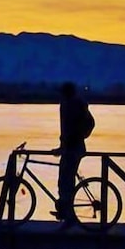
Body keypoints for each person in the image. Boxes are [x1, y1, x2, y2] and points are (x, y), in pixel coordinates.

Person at [52, 81, 93, 223]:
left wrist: (67, 143)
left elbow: (69, 129)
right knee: (64, 179)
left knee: (66, 180)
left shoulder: (73, 104)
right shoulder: (70, 103)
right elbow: (66, 129)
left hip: (73, 148)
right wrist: (62, 145)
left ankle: (69, 214)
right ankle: (65, 210)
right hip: (72, 147)